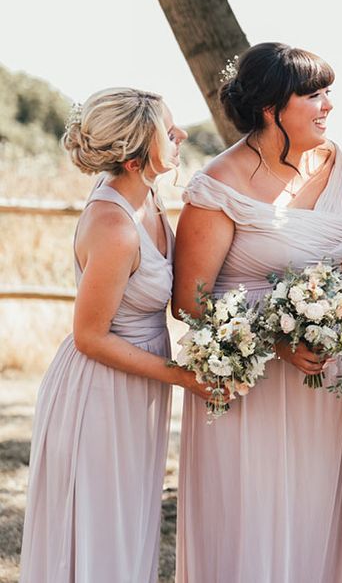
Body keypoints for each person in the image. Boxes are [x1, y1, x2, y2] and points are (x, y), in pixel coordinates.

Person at [173, 42, 342, 583]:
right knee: (252, 515)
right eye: (313, 95)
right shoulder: (220, 183)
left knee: (317, 507)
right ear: (270, 108)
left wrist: (332, 313)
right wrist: (275, 340)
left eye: (328, 93)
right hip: (249, 380)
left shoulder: (337, 163)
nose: (328, 106)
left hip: (325, 378)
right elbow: (190, 302)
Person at [19, 87, 199, 582]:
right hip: (98, 393)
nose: (181, 134)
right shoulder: (115, 226)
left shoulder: (150, 201)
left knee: (128, 525)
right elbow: (90, 337)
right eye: (169, 129)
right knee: (99, 532)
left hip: (136, 385)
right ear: (140, 154)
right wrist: (185, 376)